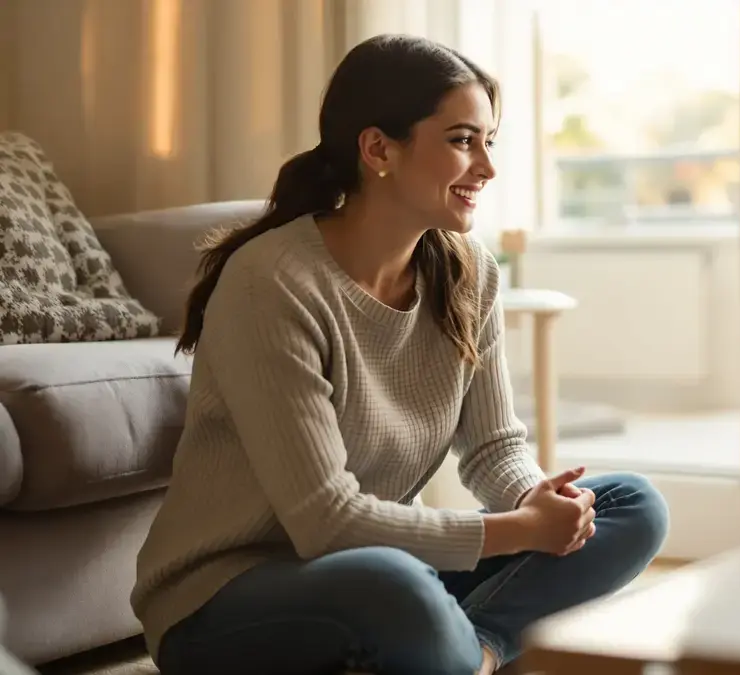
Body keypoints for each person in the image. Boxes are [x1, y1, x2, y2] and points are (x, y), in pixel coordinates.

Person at [130, 33, 669, 675]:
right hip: (224, 605)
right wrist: (520, 533)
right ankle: (450, 643)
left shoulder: (470, 273)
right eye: (462, 140)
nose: (487, 168)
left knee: (629, 504)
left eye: (488, 142)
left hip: (382, 573)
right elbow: (326, 524)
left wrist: (538, 503)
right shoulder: (271, 282)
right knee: (396, 587)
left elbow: (494, 447)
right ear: (378, 148)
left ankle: (477, 651)